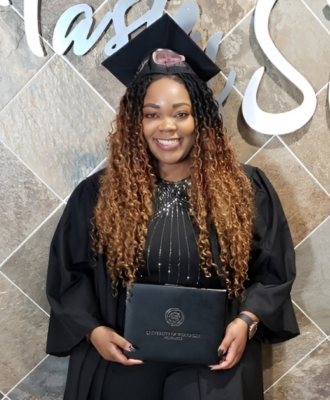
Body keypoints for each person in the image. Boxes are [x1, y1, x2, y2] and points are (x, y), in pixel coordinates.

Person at [45, 14, 299, 400]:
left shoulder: (246, 189)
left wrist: (247, 321)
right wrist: (93, 331)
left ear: (200, 120)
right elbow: (69, 274)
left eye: (181, 113)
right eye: (152, 114)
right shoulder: (98, 195)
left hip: (213, 361)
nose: (167, 126)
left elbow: (273, 268)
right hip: (124, 359)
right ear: (136, 122)